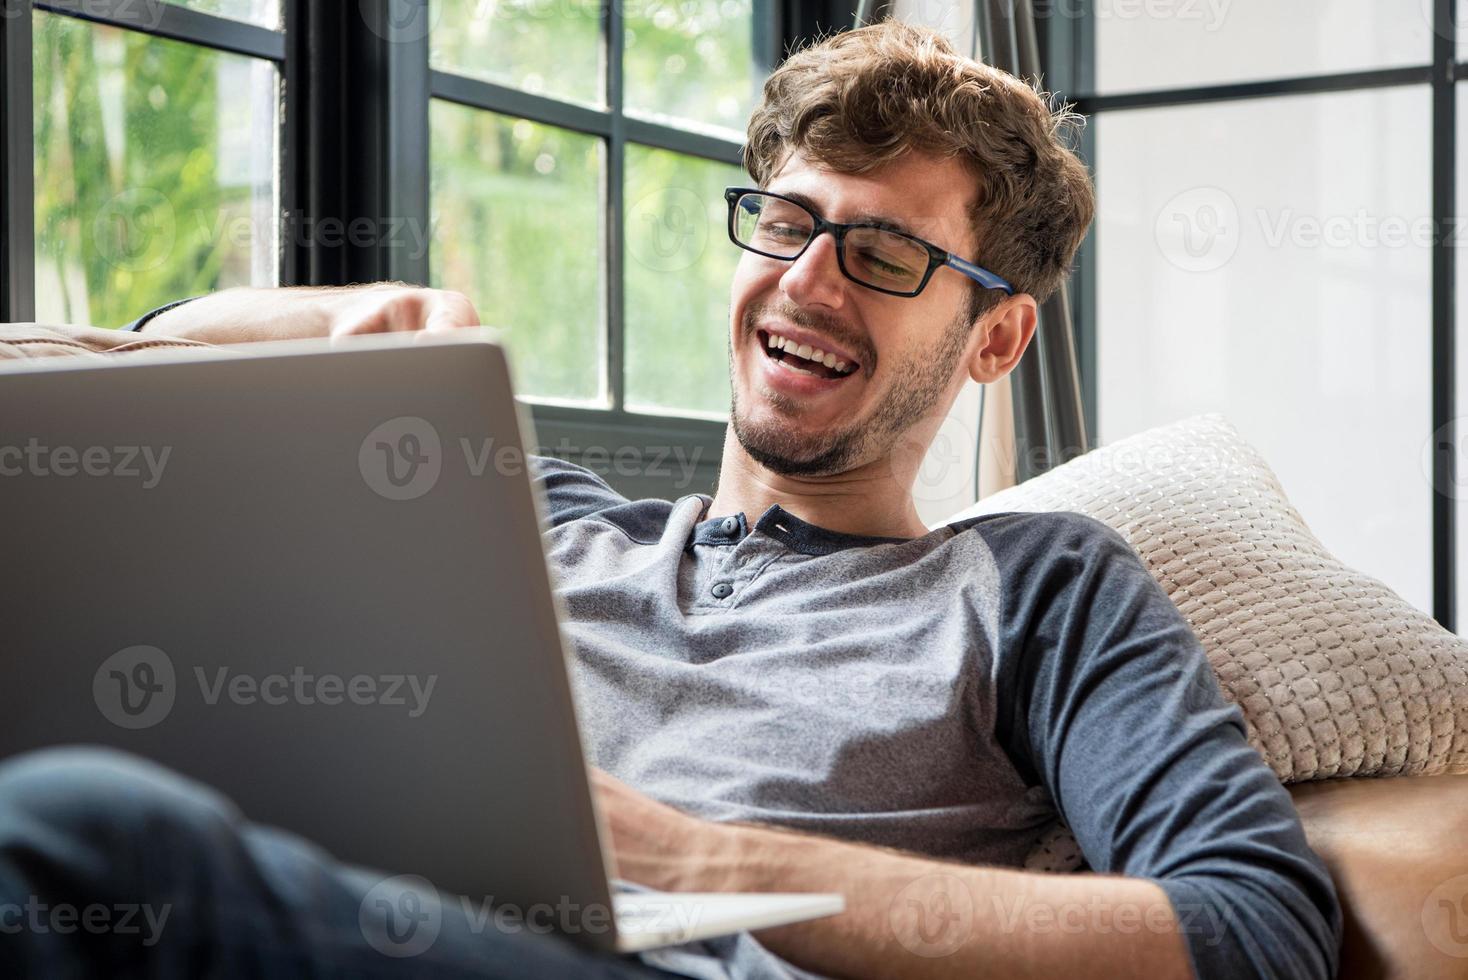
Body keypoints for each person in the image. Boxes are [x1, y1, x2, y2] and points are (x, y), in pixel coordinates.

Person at [0, 20, 1340, 980]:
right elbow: (125, 374)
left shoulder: (1041, 585)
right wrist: (336, 313)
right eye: (784, 221)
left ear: (994, 341)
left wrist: (691, 864)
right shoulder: (535, 512)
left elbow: (1254, 929)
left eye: (878, 252)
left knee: (85, 825)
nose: (808, 280)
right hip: (351, 918)